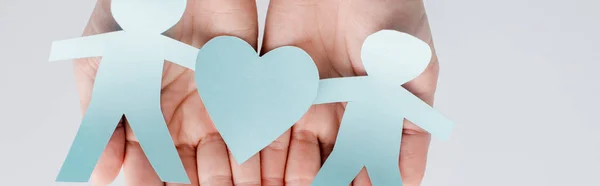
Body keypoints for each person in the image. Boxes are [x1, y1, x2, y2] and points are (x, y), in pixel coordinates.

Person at [69, 0, 444, 185]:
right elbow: (176, 53)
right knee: (141, 128)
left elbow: (344, 87)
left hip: (363, 129)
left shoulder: (371, 88)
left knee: (357, 162)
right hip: (134, 86)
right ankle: (80, 164)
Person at [49, 0, 198, 183]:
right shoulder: (150, 42)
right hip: (117, 95)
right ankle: (73, 174)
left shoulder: (154, 43)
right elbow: (190, 57)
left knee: (148, 133)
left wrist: (58, 50)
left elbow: (189, 57)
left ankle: (172, 174)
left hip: (136, 99)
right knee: (143, 132)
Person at [310, 30, 453, 186]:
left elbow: (325, 90)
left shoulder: (367, 86)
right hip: (367, 150)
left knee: (342, 170)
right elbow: (326, 90)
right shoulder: (393, 94)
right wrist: (444, 128)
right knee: (344, 170)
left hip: (364, 149)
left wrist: (306, 93)